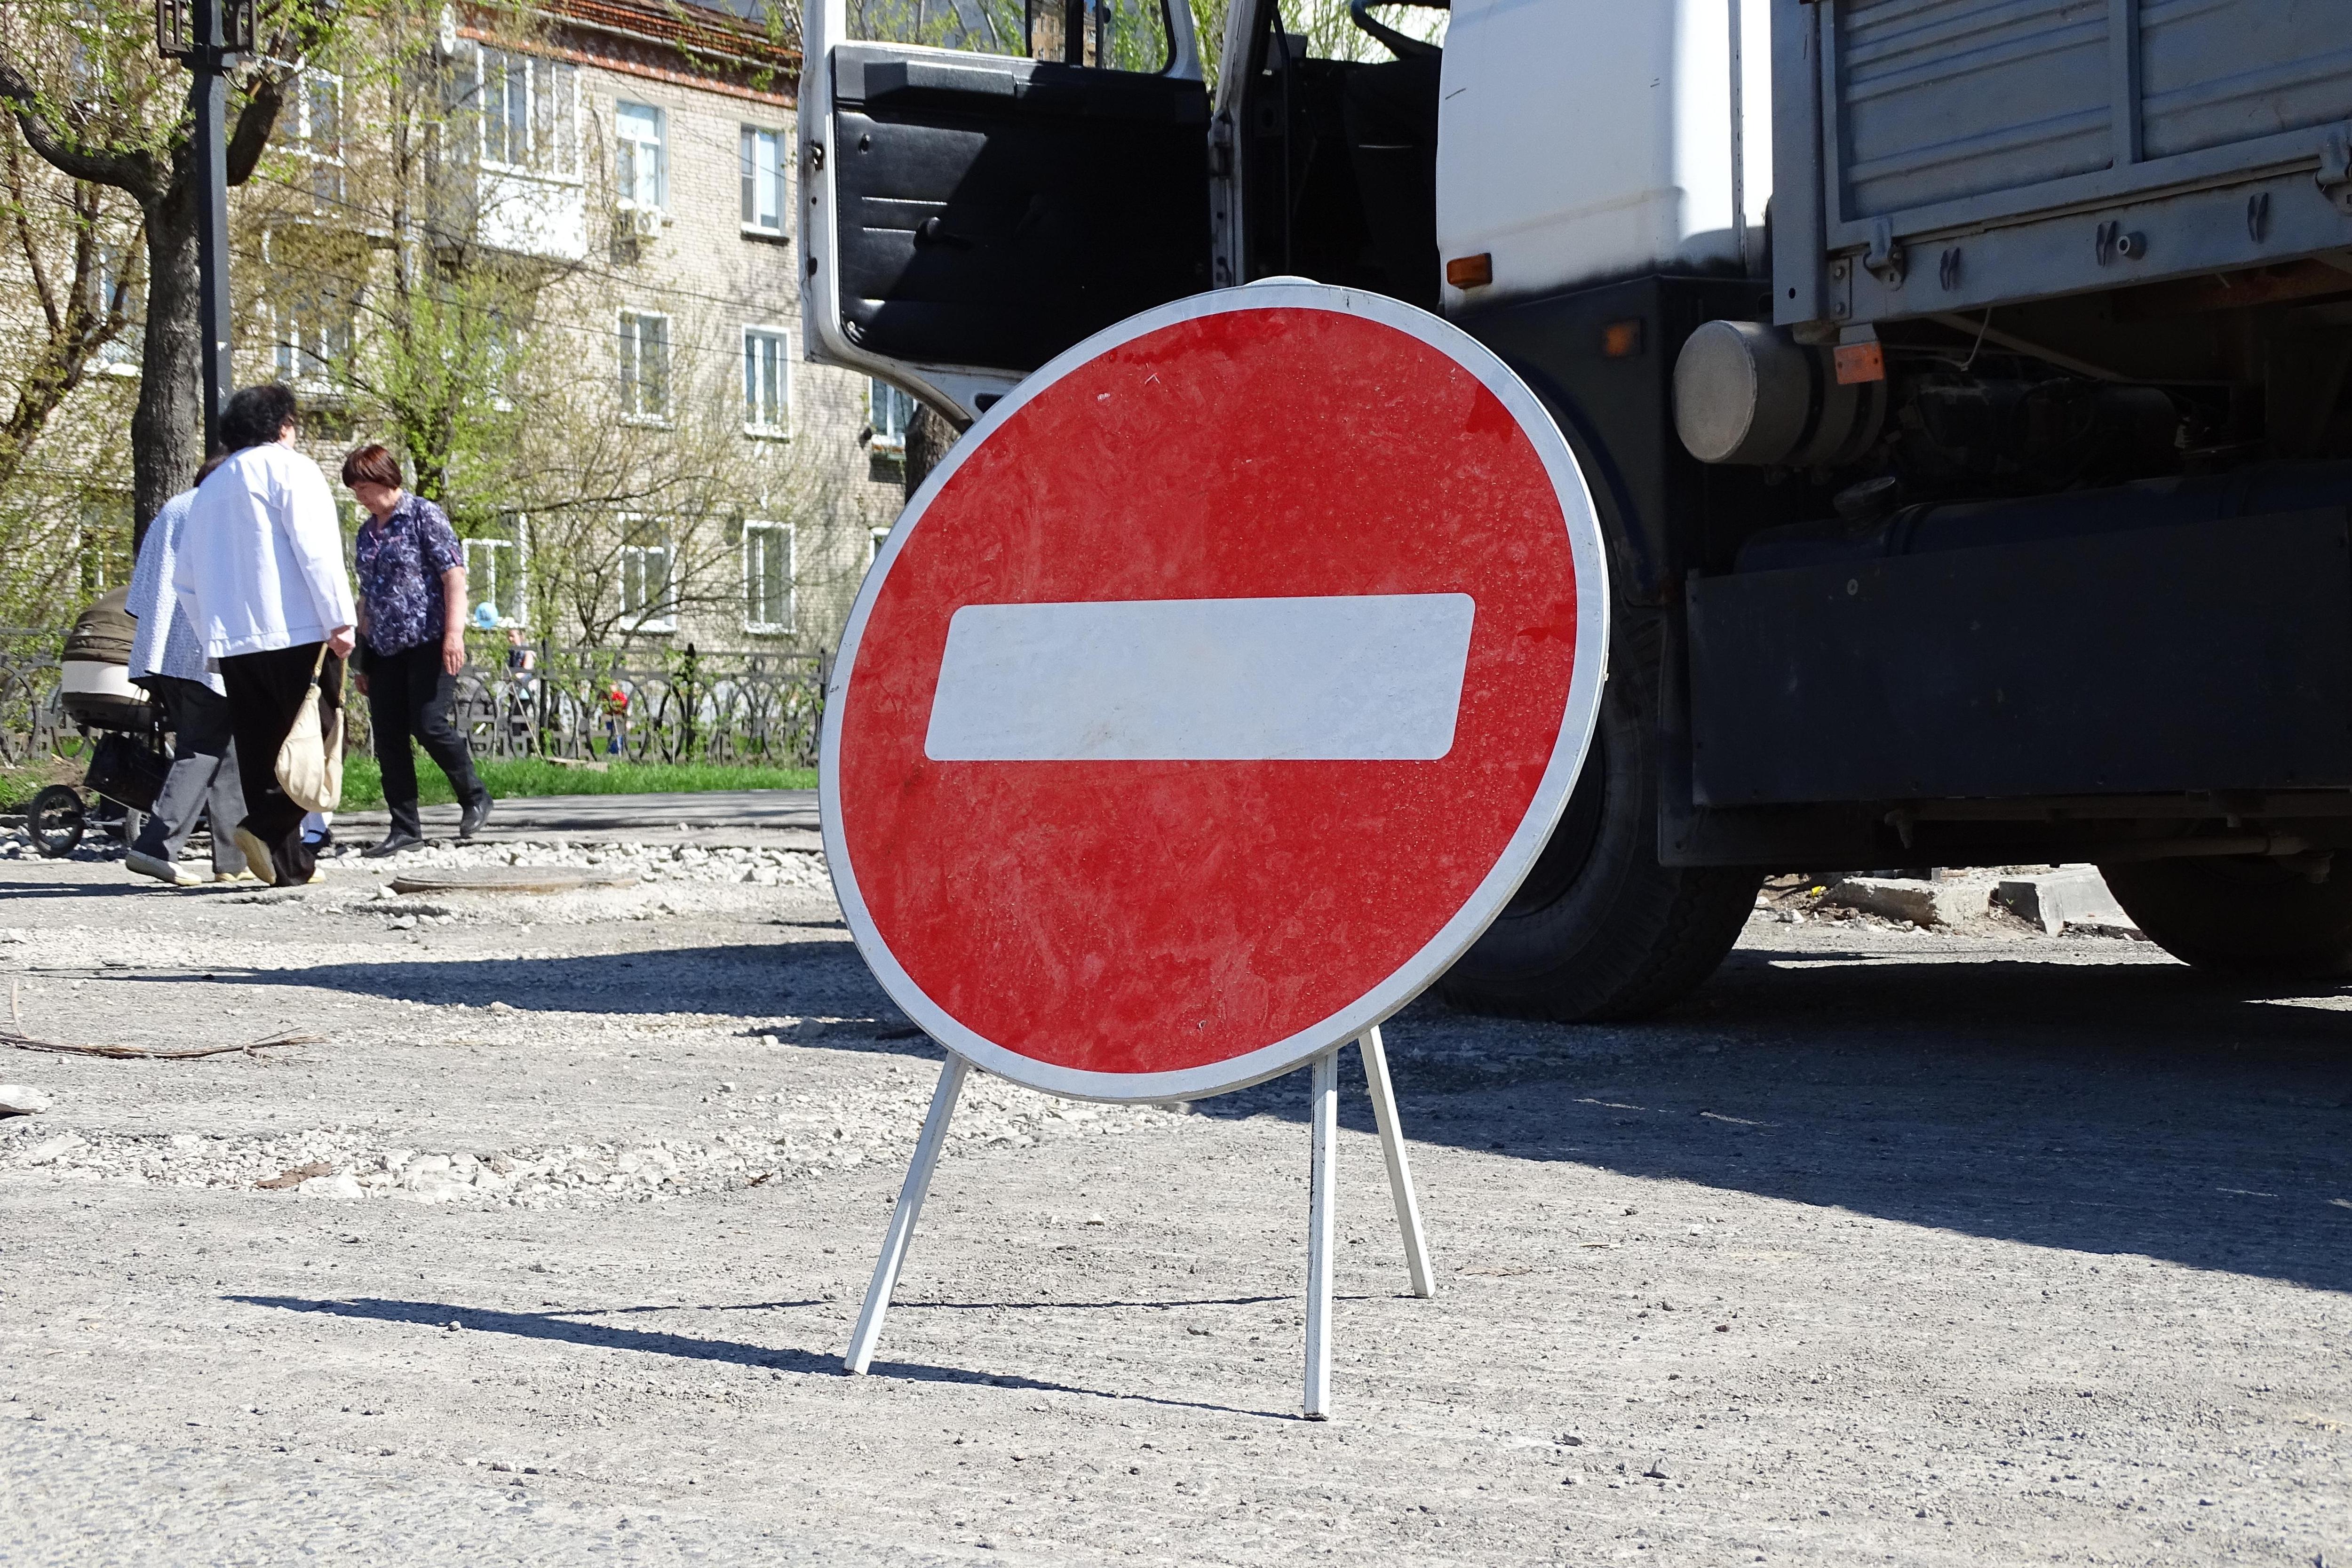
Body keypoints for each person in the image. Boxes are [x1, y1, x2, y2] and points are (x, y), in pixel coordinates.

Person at [174, 384, 356, 888]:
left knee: (261, 751)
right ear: (283, 426)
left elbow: (185, 578)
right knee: (320, 736)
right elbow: (317, 549)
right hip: (297, 628)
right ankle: (265, 828)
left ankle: (289, 865)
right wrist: (340, 619)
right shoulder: (291, 469)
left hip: (234, 638)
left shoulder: (209, 489)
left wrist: (211, 632)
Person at [342, 443, 493, 856]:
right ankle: (405, 827)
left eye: (363, 487)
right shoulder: (366, 533)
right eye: (354, 490)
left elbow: (454, 576)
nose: (359, 496)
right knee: (389, 736)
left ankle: (474, 795)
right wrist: (361, 658)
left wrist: (454, 634)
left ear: (384, 479)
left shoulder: (424, 515)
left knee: (428, 723)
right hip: (384, 648)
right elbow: (366, 597)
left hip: (429, 641)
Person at [122, 454, 250, 887]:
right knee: (202, 748)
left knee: (226, 748)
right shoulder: (218, 512)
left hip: (161, 650)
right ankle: (155, 846)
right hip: (204, 648)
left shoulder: (171, 509)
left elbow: (139, 594)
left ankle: (233, 860)